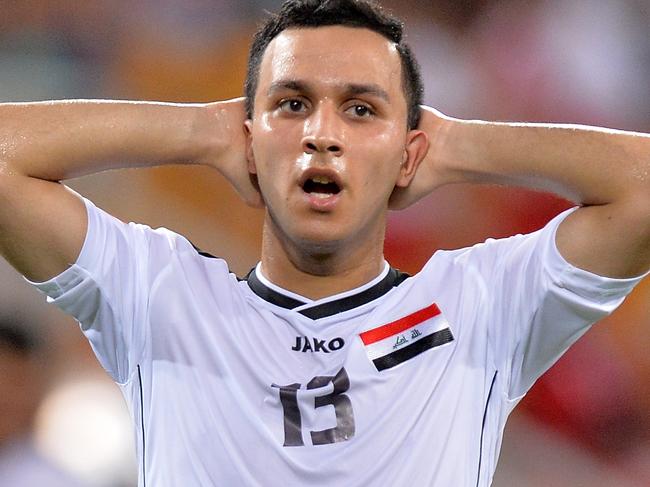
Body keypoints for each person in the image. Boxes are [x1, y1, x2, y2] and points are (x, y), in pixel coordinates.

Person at [0, 0, 648, 485]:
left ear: (409, 151)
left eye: (361, 109)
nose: (322, 134)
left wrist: (454, 146)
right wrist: (201, 131)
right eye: (291, 104)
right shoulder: (159, 294)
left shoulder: (480, 305)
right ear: (248, 139)